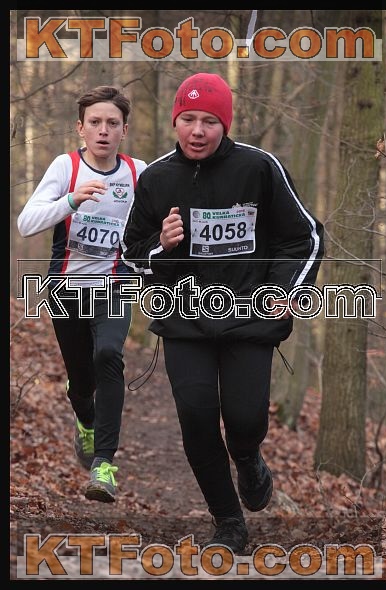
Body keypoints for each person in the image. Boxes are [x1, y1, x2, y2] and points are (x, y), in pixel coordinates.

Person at [121, 72, 324, 553]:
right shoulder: (157, 178)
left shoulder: (259, 167)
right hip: (184, 318)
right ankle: (229, 522)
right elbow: (131, 252)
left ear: (225, 124)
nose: (197, 130)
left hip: (249, 316)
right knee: (195, 419)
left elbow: (305, 237)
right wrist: (162, 247)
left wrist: (283, 291)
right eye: (188, 119)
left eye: (209, 121)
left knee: (245, 418)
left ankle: (248, 457)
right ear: (175, 122)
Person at [17, 85, 147, 503]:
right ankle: (86, 421)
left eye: (112, 123)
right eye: (95, 122)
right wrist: (71, 200)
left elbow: (153, 227)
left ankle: (103, 464)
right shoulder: (65, 166)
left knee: (108, 355)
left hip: (115, 286)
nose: (103, 130)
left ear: (124, 130)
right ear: (81, 128)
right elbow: (26, 224)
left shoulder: (138, 172)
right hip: (66, 289)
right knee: (81, 382)